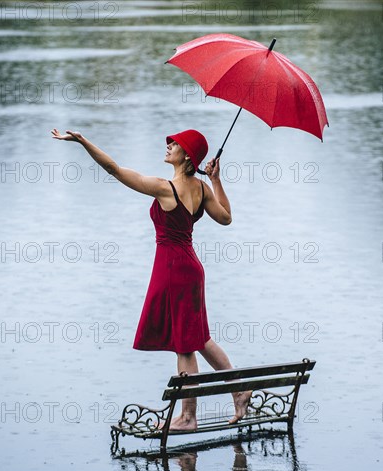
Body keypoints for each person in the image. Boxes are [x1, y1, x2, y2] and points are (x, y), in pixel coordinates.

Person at [51, 127, 252, 431]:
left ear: (187, 156)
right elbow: (226, 217)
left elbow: (114, 169)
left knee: (185, 346)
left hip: (174, 270)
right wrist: (215, 179)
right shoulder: (201, 188)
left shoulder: (164, 188)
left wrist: (82, 141)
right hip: (190, 269)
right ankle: (239, 390)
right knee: (199, 339)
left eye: (176, 143)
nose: (169, 144)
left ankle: (188, 417)